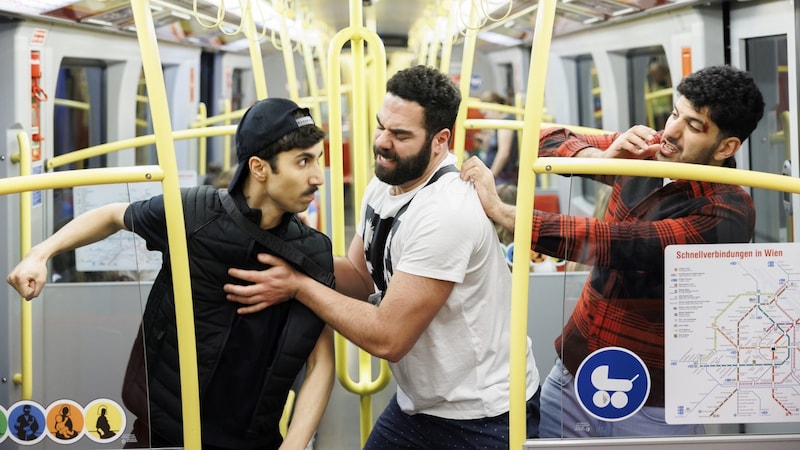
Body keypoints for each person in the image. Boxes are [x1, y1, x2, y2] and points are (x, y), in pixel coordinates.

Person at [224, 64, 542, 448]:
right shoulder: (383, 184)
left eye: (401, 134)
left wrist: (297, 287)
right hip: (420, 403)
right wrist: (276, 242)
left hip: (483, 415)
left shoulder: (446, 213)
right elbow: (359, 277)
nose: (383, 142)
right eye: (381, 127)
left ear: (440, 140)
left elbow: (387, 338)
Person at [7, 97, 336, 450]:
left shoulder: (312, 251)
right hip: (163, 431)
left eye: (317, 159)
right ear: (258, 167)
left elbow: (320, 362)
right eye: (303, 161)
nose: (318, 176)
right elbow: (111, 216)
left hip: (252, 439)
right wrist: (39, 254)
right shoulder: (194, 214)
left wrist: (295, 445)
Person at [460, 64, 765, 438]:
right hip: (576, 373)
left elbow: (622, 244)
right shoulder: (651, 151)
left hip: (656, 402)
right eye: (674, 113)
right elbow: (545, 140)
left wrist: (508, 214)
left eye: (694, 126)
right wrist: (598, 157)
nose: (670, 131)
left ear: (726, 147)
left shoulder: (728, 209)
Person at [479, 90, 520, 185]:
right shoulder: (501, 124)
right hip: (501, 176)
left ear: (494, 105)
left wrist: (490, 178)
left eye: (486, 113)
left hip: (503, 178)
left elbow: (503, 153)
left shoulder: (505, 123)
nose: (486, 117)